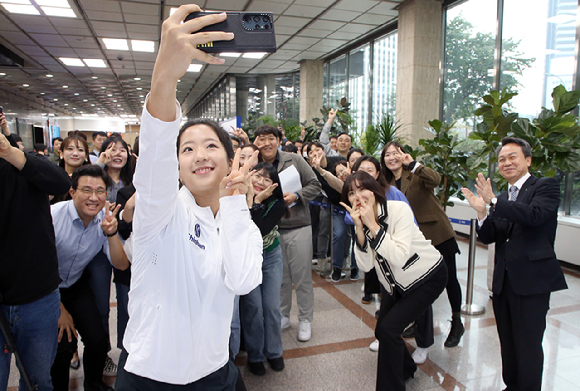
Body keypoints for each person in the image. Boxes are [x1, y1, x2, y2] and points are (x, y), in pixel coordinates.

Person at [115, 6, 263, 390]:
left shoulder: (239, 219)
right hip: (150, 376)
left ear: (231, 161)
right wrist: (163, 80)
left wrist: (233, 204)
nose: (199, 154)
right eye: (187, 149)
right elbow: (154, 155)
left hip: (215, 371)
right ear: (176, 166)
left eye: (211, 146)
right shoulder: (160, 212)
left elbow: (244, 279)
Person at [461, 137, 567, 391]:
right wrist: (482, 212)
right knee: (507, 341)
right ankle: (512, 385)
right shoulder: (501, 197)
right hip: (503, 282)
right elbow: (490, 236)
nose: (506, 163)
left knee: (528, 343)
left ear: (527, 160)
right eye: (501, 159)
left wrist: (495, 203)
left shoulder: (545, 186)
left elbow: (535, 216)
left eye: (512, 157)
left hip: (532, 281)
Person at [341, 171, 447, 391]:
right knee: (383, 331)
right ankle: (407, 369)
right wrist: (360, 229)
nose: (358, 196)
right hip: (395, 284)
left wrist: (374, 227)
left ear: (375, 190)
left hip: (427, 276)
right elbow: (366, 265)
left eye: (362, 189)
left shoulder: (397, 210)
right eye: (351, 193)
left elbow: (399, 255)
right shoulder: (362, 219)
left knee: (389, 329)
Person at [0, 120, 71, 391]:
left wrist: (10, 151)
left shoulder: (22, 164)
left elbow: (61, 181)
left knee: (38, 379)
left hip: (37, 298)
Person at [381, 141, 464, 357]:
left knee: (450, 279)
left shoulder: (415, 173)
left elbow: (435, 180)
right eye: (387, 154)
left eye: (395, 153)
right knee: (418, 284)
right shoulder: (385, 181)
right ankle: (420, 324)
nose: (392, 158)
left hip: (436, 233)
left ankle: (457, 322)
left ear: (403, 154)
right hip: (411, 241)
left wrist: (414, 164)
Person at [50, 165, 130, 391]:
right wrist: (60, 310)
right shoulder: (54, 217)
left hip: (75, 284)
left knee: (97, 339)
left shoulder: (104, 220)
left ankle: (94, 385)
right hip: (47, 290)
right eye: (86, 190)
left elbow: (121, 264)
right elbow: (36, 268)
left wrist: (111, 233)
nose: (94, 198)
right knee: (64, 344)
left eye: (100, 191)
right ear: (72, 192)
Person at [253, 124, 321, 342]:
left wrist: (297, 196)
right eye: (261, 139)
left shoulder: (295, 160)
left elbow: (315, 185)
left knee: (301, 276)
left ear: (278, 140)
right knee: (279, 278)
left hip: (298, 225)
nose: (266, 143)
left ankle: (305, 319)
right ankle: (283, 315)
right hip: (268, 230)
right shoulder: (254, 165)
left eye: (270, 138)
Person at [240, 162, 288, 376]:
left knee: (271, 307)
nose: (260, 181)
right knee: (253, 308)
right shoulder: (235, 197)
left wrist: (257, 202)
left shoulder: (278, 204)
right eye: (257, 176)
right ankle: (256, 355)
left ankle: (275, 352)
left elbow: (259, 230)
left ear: (274, 185)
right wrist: (253, 200)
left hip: (270, 257)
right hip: (246, 259)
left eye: (267, 179)